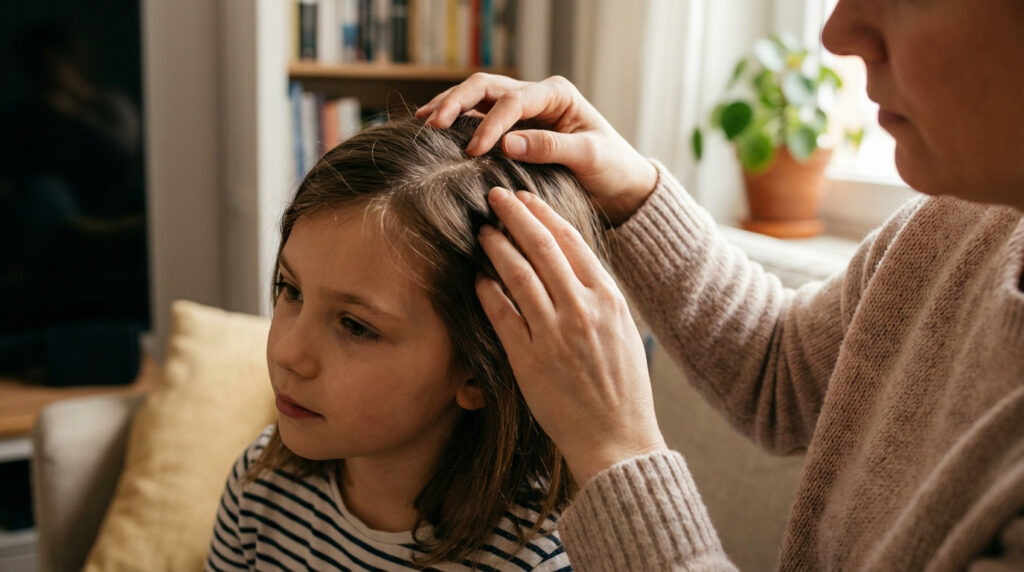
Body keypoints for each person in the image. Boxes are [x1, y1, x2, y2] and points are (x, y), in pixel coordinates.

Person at [414, 0, 1024, 570]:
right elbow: (781, 374)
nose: (837, 34)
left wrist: (613, 448)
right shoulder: (963, 220)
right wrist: (628, 192)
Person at [205, 116, 600, 571]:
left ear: (478, 371)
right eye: (291, 290)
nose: (287, 353)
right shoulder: (259, 488)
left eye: (355, 326)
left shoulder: (539, 561)